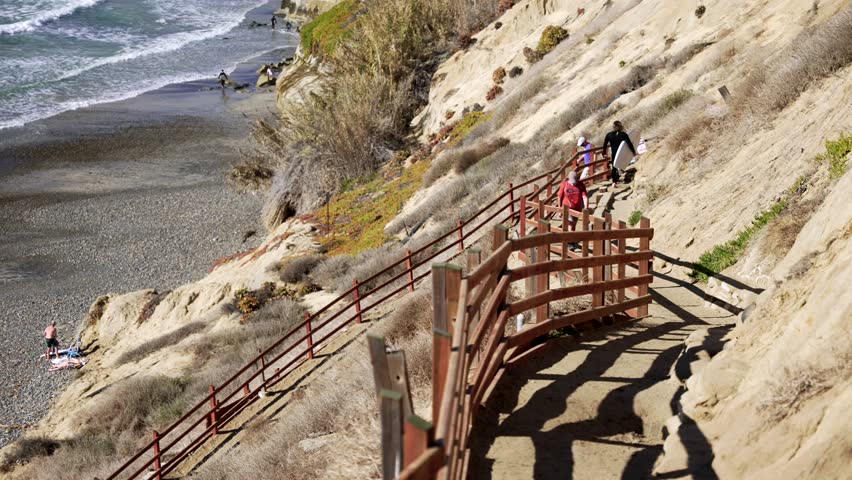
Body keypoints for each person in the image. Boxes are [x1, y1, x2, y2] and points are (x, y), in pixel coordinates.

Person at [558, 171, 589, 243]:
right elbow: (559, 197)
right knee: (571, 223)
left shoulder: (581, 185)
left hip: (577, 208)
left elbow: (584, 197)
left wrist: (586, 208)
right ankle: (570, 242)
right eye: (572, 181)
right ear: (569, 179)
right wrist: (560, 209)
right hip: (567, 208)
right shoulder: (564, 184)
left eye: (575, 181)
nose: (573, 183)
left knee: (573, 224)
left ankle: (570, 239)